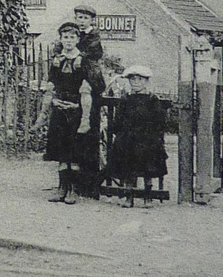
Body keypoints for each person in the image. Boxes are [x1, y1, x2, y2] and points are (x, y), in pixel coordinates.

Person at [42, 21, 104, 204]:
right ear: (61, 40)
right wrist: (53, 98)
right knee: (61, 149)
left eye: (72, 37)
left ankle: (74, 190)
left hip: (77, 109)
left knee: (76, 150)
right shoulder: (57, 60)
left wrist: (87, 87)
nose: (68, 41)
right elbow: (52, 82)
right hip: (60, 107)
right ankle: (62, 188)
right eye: (65, 37)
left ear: (78, 39)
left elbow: (97, 84)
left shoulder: (84, 61)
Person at [107, 65, 167, 206]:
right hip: (129, 138)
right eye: (132, 79)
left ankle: (147, 197)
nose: (135, 82)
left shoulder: (152, 100)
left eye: (139, 79)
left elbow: (159, 121)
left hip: (147, 139)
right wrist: (120, 133)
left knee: (148, 168)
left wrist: (154, 136)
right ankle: (129, 196)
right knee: (128, 168)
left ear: (146, 81)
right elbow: (118, 120)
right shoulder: (126, 99)